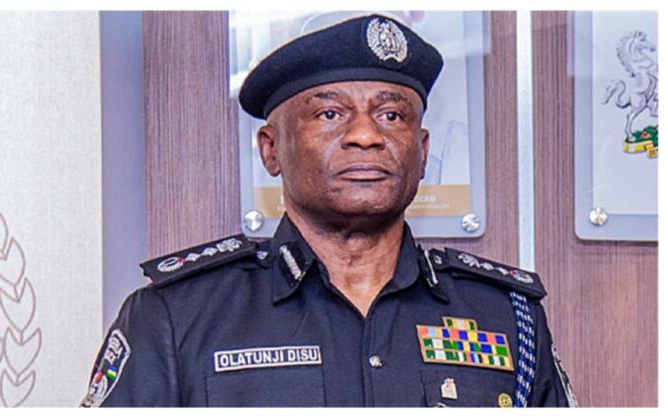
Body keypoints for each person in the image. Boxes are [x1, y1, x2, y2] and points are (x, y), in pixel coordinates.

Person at [81, 14, 577, 407]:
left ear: (423, 151)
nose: (366, 135)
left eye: (391, 115)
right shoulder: (176, 317)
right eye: (330, 113)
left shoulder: (508, 317)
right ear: (271, 150)